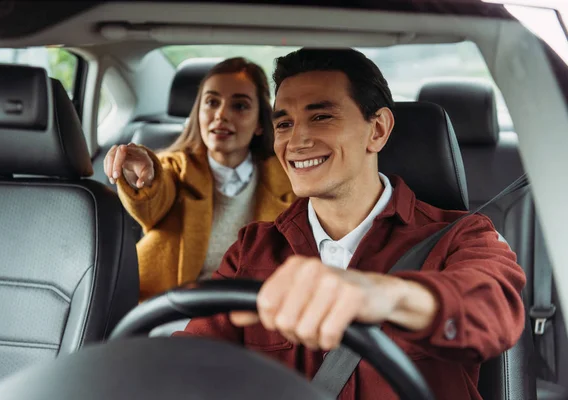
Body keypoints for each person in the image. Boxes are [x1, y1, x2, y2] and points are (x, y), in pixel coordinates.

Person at [179, 48, 526, 400]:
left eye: (321, 117)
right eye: (284, 124)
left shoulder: (462, 236)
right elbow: (187, 362)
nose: (296, 141)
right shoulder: (252, 249)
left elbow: (495, 309)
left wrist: (385, 296)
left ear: (377, 130)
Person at [104, 57, 295, 301]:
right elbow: (154, 196)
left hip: (252, 314)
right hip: (171, 310)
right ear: (199, 114)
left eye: (239, 106)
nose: (221, 115)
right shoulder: (173, 168)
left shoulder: (288, 180)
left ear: (260, 123)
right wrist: (145, 175)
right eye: (212, 102)